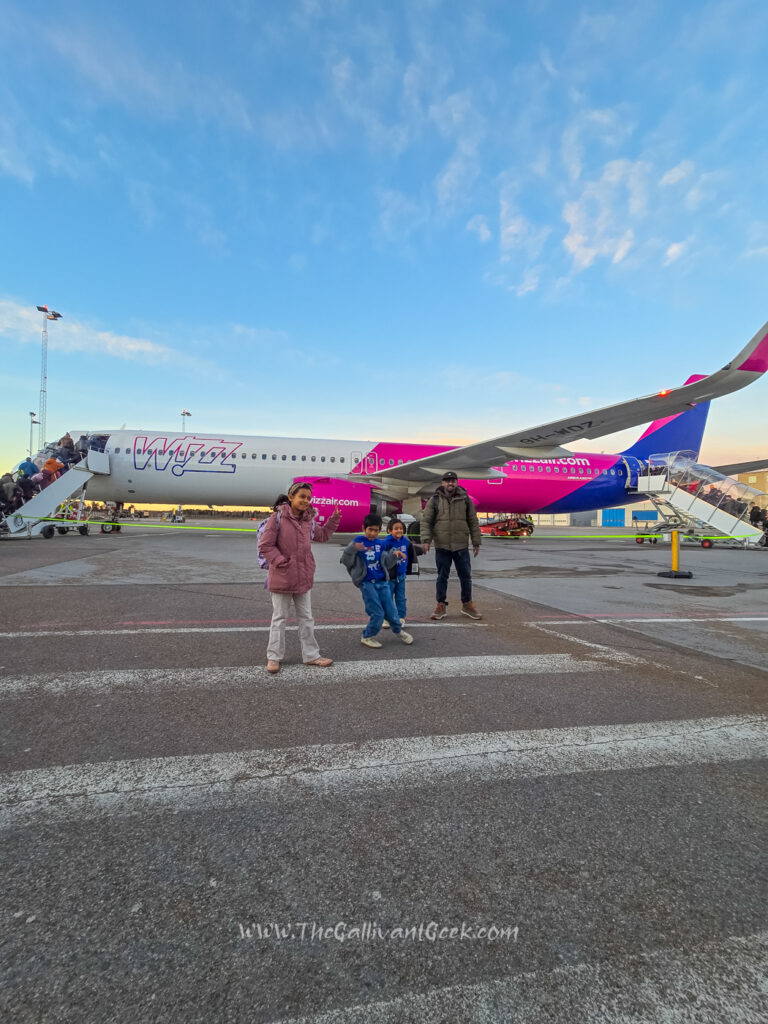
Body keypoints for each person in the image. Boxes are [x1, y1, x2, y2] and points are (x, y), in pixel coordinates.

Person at [258, 481, 341, 675]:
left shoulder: (308, 520)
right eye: (302, 496)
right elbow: (265, 545)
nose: (306, 501)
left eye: (308, 498)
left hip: (303, 576)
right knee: (279, 619)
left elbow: (322, 536)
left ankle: (311, 655)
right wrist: (280, 561)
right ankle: (274, 657)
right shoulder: (277, 518)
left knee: (307, 618)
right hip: (283, 575)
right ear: (291, 497)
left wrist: (334, 519)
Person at [340, 513, 414, 649]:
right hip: (367, 583)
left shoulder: (380, 544)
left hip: (382, 582)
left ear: (380, 530)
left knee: (391, 610)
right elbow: (345, 561)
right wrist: (352, 549)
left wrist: (394, 555)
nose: (373, 533)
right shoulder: (358, 542)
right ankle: (367, 636)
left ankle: (398, 630)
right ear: (364, 528)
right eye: (370, 530)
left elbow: (387, 563)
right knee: (377, 612)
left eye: (376, 530)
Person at [421, 471, 483, 620]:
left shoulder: (465, 499)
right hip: (442, 545)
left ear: (457, 482)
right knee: (442, 577)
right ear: (443, 483)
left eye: (453, 480)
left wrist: (476, 542)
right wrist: (426, 540)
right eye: (447, 480)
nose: (450, 483)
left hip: (461, 545)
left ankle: (467, 605)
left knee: (465, 577)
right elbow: (426, 521)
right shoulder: (434, 500)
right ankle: (440, 605)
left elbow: (473, 521)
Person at [380, 518, 424, 628]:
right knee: (388, 597)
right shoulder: (386, 542)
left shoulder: (406, 542)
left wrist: (421, 549)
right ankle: (387, 618)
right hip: (389, 577)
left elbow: (412, 550)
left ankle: (401, 618)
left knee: (400, 598)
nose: (399, 530)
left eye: (401, 528)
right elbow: (381, 555)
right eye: (396, 529)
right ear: (389, 531)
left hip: (401, 576)